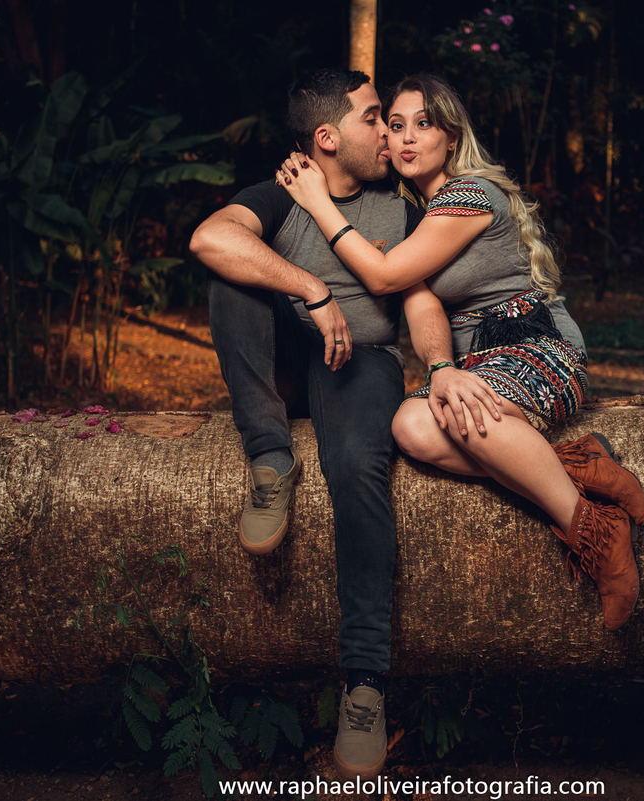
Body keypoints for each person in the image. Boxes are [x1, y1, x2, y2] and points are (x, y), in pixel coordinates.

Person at [189, 67, 500, 784]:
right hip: (290, 359)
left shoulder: (401, 201)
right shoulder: (281, 193)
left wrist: (439, 363)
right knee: (229, 277)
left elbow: (418, 295)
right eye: (373, 120)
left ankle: (365, 685)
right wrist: (311, 287)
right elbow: (210, 237)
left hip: (363, 363)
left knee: (361, 465)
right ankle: (270, 459)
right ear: (327, 138)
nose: (388, 133)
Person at [276, 73, 644, 633]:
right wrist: (442, 368)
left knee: (433, 418)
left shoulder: (469, 195)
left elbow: (382, 277)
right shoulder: (416, 216)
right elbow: (420, 300)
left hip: (534, 345)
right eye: (395, 125)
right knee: (412, 428)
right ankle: (578, 465)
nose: (405, 138)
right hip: (479, 364)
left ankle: (593, 531)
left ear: (451, 138)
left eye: (423, 125)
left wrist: (317, 201)